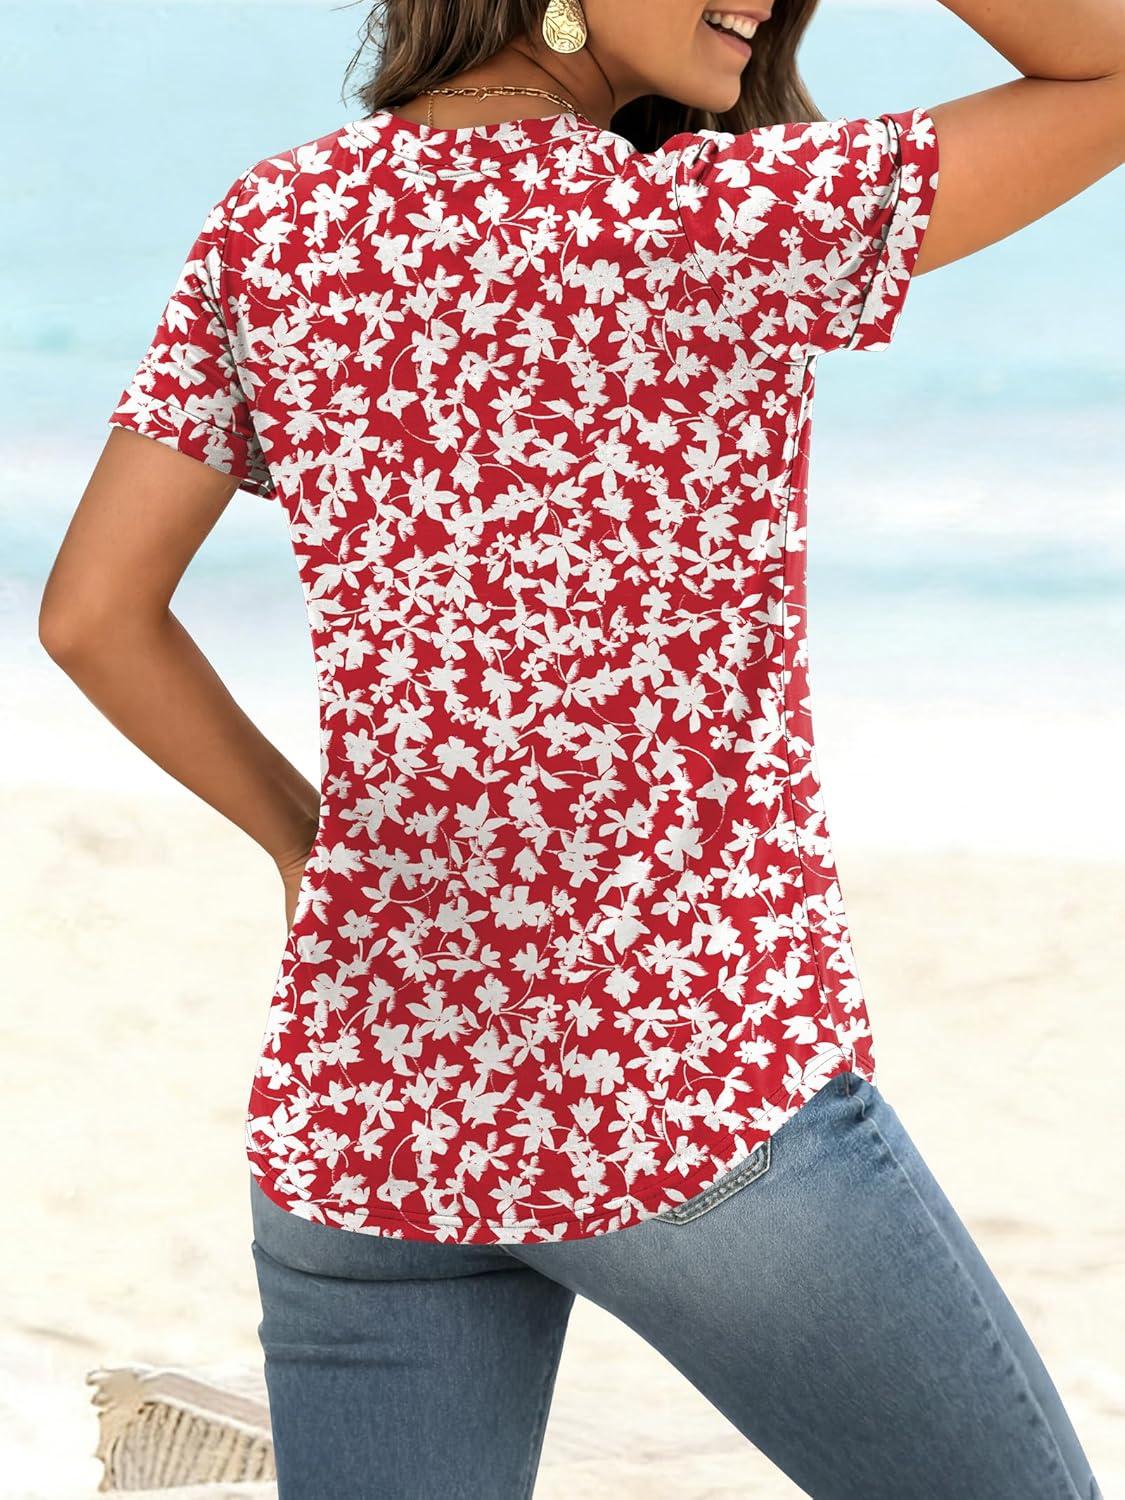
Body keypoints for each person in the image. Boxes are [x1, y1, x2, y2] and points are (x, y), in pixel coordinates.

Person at [40, 0, 1121, 1492]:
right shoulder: (717, 222)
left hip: (376, 1119)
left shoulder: (276, 224)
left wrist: (304, 842)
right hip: (687, 1096)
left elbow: (94, 615)